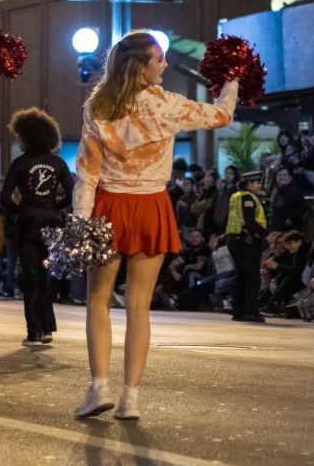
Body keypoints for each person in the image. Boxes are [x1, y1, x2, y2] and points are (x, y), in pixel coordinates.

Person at [72, 30, 238, 420]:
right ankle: (130, 397)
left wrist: (81, 222)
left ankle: (99, 388)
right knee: (138, 306)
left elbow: (87, 172)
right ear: (140, 66)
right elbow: (222, 115)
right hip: (151, 205)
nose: (164, 64)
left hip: (108, 206)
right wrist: (232, 77)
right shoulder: (167, 105)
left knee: (98, 300)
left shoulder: (97, 106)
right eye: (159, 59)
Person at [0, 108, 73, 347]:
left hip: (28, 223)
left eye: (19, 136)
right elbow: (73, 195)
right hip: (52, 224)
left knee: (30, 276)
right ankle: (48, 327)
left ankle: (34, 330)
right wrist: (54, 206)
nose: (18, 140)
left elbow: (4, 198)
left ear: (27, 136)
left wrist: (20, 210)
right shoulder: (59, 163)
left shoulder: (20, 163)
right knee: (46, 276)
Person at [225, 171, 268, 323]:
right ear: (249, 183)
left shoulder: (235, 196)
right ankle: (251, 311)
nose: (259, 185)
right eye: (257, 182)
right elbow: (249, 221)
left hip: (235, 239)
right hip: (246, 240)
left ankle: (239, 311)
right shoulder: (248, 197)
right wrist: (265, 234)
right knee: (252, 277)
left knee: (242, 276)